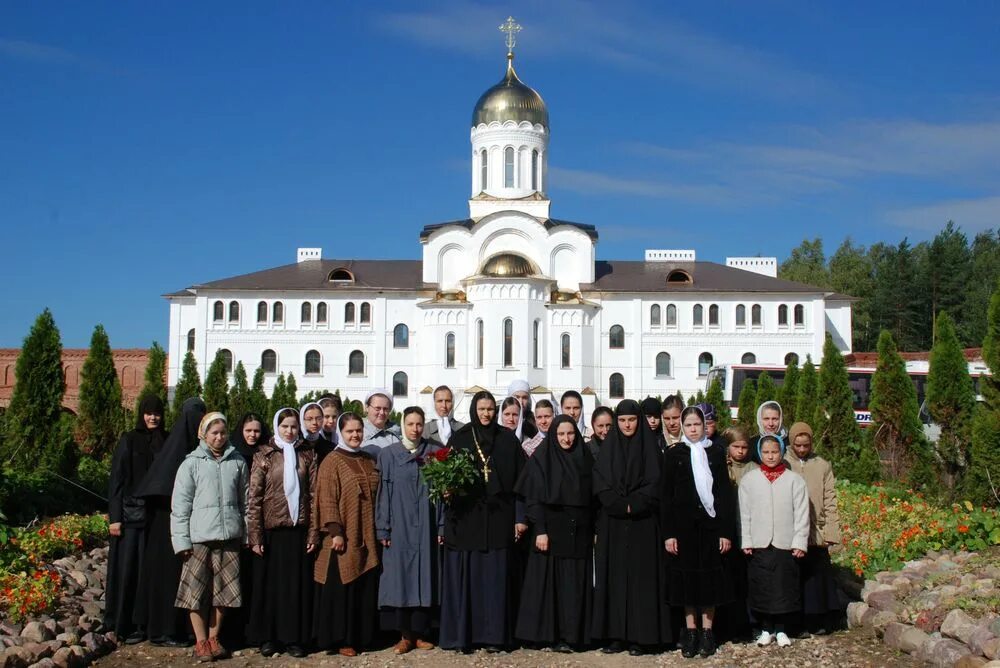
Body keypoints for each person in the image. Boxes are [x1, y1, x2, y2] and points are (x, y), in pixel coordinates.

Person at [439, 390, 527, 653]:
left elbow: (521, 484)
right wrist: (447, 490)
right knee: (471, 579)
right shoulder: (461, 437)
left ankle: (494, 637)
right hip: (468, 520)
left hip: (500, 518)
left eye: (490, 409)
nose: (486, 414)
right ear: (474, 410)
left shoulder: (508, 440)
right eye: (482, 409)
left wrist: (520, 518)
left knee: (495, 579)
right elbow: (447, 479)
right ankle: (465, 636)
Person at [592, 400, 671, 656]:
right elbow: (600, 482)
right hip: (612, 524)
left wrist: (634, 505)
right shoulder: (608, 449)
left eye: (632, 420)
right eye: (623, 420)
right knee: (613, 578)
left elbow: (655, 482)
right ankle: (615, 635)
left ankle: (642, 636)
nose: (627, 425)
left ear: (639, 421)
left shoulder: (650, 448)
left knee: (641, 580)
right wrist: (618, 505)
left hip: (643, 524)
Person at [171, 413, 249, 662]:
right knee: (196, 592)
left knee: (224, 591)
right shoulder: (191, 464)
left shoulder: (237, 461)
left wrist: (245, 533)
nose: (219, 437)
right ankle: (200, 640)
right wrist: (181, 541)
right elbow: (180, 506)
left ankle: (215, 638)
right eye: (214, 433)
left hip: (229, 538)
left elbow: (245, 502)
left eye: (223, 432)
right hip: (199, 539)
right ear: (203, 435)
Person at [514, 415, 595, 652]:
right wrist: (540, 530)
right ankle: (546, 635)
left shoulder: (584, 458)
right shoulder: (542, 459)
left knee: (572, 586)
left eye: (570, 433)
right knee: (549, 585)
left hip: (577, 532)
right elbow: (533, 497)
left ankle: (571, 636)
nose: (566, 439)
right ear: (553, 435)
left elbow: (592, 498)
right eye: (561, 434)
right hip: (549, 531)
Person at [661, 405, 734, 659]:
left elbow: (724, 493)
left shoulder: (715, 452)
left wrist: (725, 531)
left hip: (710, 527)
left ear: (705, 426)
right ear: (683, 426)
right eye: (689, 425)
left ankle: (707, 631)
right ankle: (690, 631)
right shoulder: (674, 454)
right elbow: (666, 497)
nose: (693, 429)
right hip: (683, 529)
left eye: (697, 425)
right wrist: (669, 533)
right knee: (686, 580)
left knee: (709, 580)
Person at [133, 396, 206, 646]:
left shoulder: (187, 447)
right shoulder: (174, 449)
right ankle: (162, 630)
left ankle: (181, 628)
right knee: (166, 577)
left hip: (187, 524)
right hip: (166, 526)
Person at [246, 407, 319, 658]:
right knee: (271, 587)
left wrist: (313, 533)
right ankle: (269, 637)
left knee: (296, 587)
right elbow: (254, 498)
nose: (289, 431)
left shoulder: (307, 454)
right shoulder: (264, 455)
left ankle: (295, 638)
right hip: (271, 532)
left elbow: (313, 495)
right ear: (277, 427)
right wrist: (255, 536)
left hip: (298, 530)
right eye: (285, 426)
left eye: (293, 426)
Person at [313, 413, 380, 657]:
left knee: (363, 584)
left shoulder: (367, 459)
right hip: (343, 534)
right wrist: (335, 531)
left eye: (359, 431)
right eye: (350, 431)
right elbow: (327, 498)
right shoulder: (332, 461)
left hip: (366, 533)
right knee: (344, 585)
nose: (355, 435)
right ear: (341, 432)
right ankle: (342, 638)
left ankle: (362, 636)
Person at [376, 407, 442, 654]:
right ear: (403, 424)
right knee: (401, 579)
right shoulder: (389, 455)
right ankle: (404, 635)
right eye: (410, 423)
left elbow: (443, 494)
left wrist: (442, 524)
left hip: (427, 524)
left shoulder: (434, 453)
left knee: (426, 577)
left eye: (419, 424)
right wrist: (383, 528)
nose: (415, 429)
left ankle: (422, 633)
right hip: (400, 526)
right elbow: (383, 494)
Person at [105, 395, 168, 642]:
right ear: (142, 413)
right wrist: (115, 517)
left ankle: (148, 624)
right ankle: (124, 623)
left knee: (150, 573)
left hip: (158, 518)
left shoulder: (166, 440)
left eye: (157, 413)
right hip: (131, 518)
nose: (153, 417)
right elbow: (117, 481)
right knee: (129, 571)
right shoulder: (129, 440)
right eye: (149, 413)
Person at [739, 435, 809, 648]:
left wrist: (799, 541)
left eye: (775, 452)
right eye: (766, 452)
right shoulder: (750, 480)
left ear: (781, 453)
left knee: (783, 589)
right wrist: (746, 539)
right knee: (762, 588)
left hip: (784, 543)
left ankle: (781, 629)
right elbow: (744, 512)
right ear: (760, 453)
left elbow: (802, 513)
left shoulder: (794, 480)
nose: (771, 456)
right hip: (760, 543)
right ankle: (765, 629)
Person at [785, 422, 842, 635]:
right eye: (797, 445)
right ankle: (797, 622)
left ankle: (821, 620)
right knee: (797, 577)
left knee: (818, 579)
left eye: (805, 445)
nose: (801, 449)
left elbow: (830, 499)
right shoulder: (784, 462)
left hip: (816, 529)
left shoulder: (822, 465)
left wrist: (831, 531)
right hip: (791, 530)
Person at [223, 412, 270, 649]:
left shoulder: (268, 455)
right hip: (238, 527)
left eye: (257, 431)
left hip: (261, 528)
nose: (253, 435)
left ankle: (256, 631)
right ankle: (232, 633)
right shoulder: (232, 454)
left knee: (257, 581)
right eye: (248, 431)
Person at [718, 425, 758, 643]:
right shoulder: (723, 466)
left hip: (746, 529)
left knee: (744, 581)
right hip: (727, 529)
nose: (740, 451)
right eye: (736, 446)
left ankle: (745, 625)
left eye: (744, 447)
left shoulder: (753, 468)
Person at [316, 395, 343, 463]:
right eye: (326, 417)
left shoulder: (341, 439)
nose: (331, 421)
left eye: (334, 417)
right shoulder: (313, 442)